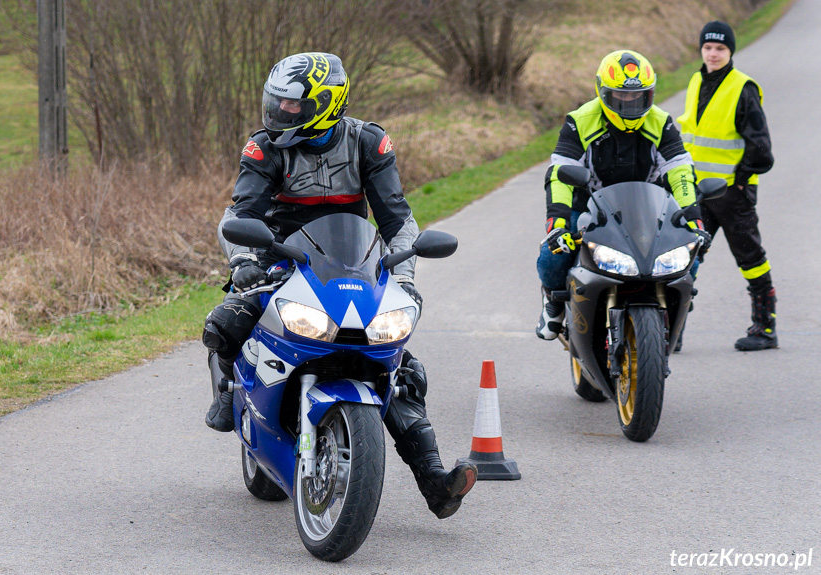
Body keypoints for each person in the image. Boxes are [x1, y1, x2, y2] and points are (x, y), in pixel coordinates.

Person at [201, 52, 476, 518]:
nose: (279, 114)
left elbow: (398, 220)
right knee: (226, 322)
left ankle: (436, 482)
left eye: (291, 106)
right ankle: (230, 392)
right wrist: (246, 260)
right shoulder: (264, 147)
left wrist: (404, 277)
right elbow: (240, 215)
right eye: (276, 103)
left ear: (327, 103)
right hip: (277, 258)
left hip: (351, 265)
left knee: (403, 371)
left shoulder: (369, 142)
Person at [536, 49, 708, 340]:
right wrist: (558, 224)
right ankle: (553, 302)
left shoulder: (661, 122)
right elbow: (560, 174)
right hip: (589, 208)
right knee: (552, 256)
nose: (629, 103)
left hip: (648, 208)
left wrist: (694, 220)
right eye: (621, 97)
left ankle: (675, 303)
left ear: (649, 95)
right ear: (602, 93)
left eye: (638, 97)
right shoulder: (579, 121)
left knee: (692, 250)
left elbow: (680, 170)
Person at [676, 21, 776, 351]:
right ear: (701, 50)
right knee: (682, 261)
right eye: (708, 48)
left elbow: (761, 149)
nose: (713, 54)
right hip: (696, 192)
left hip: (732, 193)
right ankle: (670, 332)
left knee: (750, 257)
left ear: (730, 51)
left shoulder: (743, 88)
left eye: (720, 48)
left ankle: (765, 329)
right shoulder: (695, 80)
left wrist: (740, 181)